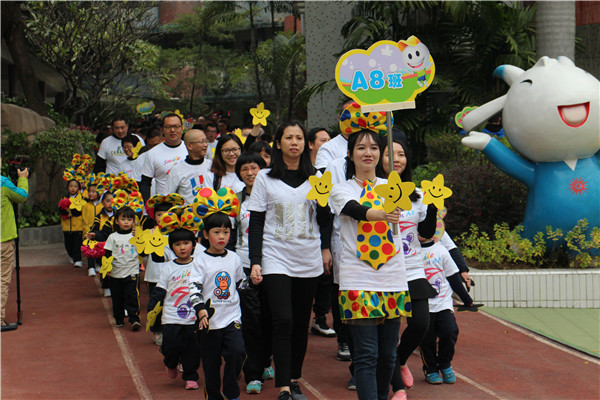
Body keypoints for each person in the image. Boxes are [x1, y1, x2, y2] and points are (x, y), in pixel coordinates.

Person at [248, 120, 332, 400]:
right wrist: (256, 260)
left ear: (306, 144)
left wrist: (325, 249)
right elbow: (257, 222)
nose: (294, 142)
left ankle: (294, 378)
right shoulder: (265, 177)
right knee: (282, 319)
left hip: (308, 258)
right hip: (275, 257)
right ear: (279, 142)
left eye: (299, 137)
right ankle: (283, 386)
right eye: (288, 137)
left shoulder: (318, 178)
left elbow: (324, 220)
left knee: (299, 324)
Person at [329, 129, 411, 400]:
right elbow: (354, 209)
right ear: (350, 154)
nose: (368, 153)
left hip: (393, 279)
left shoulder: (394, 187)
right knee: (366, 356)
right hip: (357, 280)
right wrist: (380, 214)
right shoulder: (341, 189)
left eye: (374, 148)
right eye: (361, 148)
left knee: (388, 357)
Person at [381, 135, 438, 400]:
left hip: (413, 268)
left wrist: (434, 206)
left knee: (420, 324)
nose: (396, 160)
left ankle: (401, 360)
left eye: (401, 154)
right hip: (382, 269)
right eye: (389, 154)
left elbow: (426, 235)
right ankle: (396, 388)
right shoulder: (372, 192)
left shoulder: (419, 195)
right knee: (387, 331)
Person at [190, 212, 245, 400]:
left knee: (238, 352)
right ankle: (213, 396)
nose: (222, 237)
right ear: (206, 234)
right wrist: (200, 310)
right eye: (216, 232)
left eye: (226, 232)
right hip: (209, 323)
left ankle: (231, 392)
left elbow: (240, 284)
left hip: (232, 318)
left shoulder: (235, 258)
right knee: (211, 364)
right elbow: (194, 287)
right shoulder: (200, 261)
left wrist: (254, 281)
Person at [147, 227, 206, 390]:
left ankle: (191, 375)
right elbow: (160, 290)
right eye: (177, 244)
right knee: (171, 346)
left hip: (193, 317)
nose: (182, 247)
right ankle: (171, 363)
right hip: (171, 316)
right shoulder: (168, 267)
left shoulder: (200, 265)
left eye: (186, 243)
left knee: (193, 348)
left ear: (193, 245)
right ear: (171, 247)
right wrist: (152, 308)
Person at [234, 152, 273, 394]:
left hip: (272, 264)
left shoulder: (273, 197)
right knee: (250, 320)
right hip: (244, 264)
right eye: (245, 169)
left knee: (269, 317)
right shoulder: (235, 201)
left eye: (255, 168)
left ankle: (266, 359)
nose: (250, 173)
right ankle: (253, 373)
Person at [417, 234, 475, 385]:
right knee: (426, 339)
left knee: (450, 331)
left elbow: (453, 277)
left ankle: (445, 364)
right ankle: (430, 369)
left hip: (443, 303)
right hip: (423, 305)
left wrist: (466, 300)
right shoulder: (411, 252)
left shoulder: (442, 251)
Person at [103, 206, 142, 330]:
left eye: (129, 219)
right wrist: (107, 268)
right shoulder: (112, 237)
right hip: (116, 273)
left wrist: (140, 238)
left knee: (132, 296)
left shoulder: (136, 236)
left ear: (133, 222)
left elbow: (143, 251)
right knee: (117, 297)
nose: (126, 222)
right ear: (116, 221)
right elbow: (107, 253)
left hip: (132, 271)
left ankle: (134, 319)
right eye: (123, 219)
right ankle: (119, 318)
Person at [1, 166, 29, 331]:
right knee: (2, 280)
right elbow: (22, 196)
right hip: (3, 238)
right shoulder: (3, 184)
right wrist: (23, 178)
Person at [139, 113, 189, 201]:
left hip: (188, 205)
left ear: (182, 128)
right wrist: (148, 208)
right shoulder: (152, 153)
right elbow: (145, 183)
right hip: (164, 207)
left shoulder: (190, 148)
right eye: (168, 127)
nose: (172, 130)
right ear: (162, 130)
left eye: (176, 126)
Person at [165, 129, 211, 205]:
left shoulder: (211, 165)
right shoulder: (176, 170)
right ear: (189, 146)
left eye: (206, 141)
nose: (205, 145)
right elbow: (168, 197)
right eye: (201, 142)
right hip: (188, 214)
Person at [87, 191, 115, 297]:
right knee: (106, 265)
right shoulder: (99, 217)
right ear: (102, 202)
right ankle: (106, 287)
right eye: (107, 201)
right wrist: (94, 234)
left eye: (112, 201)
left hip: (117, 246)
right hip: (105, 246)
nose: (110, 204)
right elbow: (96, 230)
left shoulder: (119, 215)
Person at [314, 98, 354, 171]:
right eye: (348, 114)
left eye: (356, 113)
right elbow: (323, 177)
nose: (352, 118)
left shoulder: (373, 145)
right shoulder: (328, 148)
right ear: (339, 118)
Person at [59, 179, 84, 268]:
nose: (73, 188)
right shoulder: (64, 198)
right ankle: (72, 256)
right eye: (71, 186)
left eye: (75, 186)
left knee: (77, 244)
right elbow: (61, 210)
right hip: (66, 226)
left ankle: (78, 260)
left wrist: (69, 212)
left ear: (78, 188)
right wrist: (64, 212)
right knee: (68, 244)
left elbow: (78, 212)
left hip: (78, 226)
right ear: (67, 187)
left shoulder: (81, 199)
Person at [81, 181, 102, 277]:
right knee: (90, 249)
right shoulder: (85, 206)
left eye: (93, 192)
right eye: (89, 191)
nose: (90, 194)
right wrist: (86, 231)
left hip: (99, 232)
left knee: (99, 249)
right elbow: (84, 220)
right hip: (89, 231)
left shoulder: (101, 206)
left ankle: (97, 264)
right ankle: (91, 267)